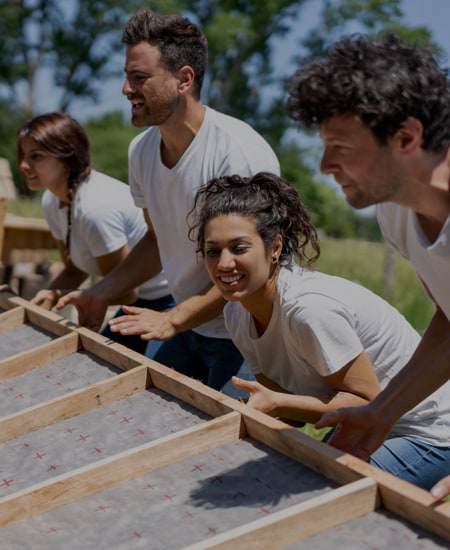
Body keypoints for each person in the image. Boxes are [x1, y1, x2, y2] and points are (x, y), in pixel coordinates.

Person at [56, 9, 280, 395]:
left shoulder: (237, 154)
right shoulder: (141, 151)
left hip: (247, 333)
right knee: (141, 414)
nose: (127, 90)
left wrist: (174, 318)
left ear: (184, 79)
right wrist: (100, 292)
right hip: (187, 323)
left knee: (225, 451)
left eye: (139, 78)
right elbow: (157, 239)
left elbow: (252, 269)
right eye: (127, 77)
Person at [189, 171, 450, 490]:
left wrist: (275, 406)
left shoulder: (308, 310)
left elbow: (364, 403)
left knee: (327, 492)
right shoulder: (237, 313)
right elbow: (290, 411)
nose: (224, 263)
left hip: (428, 431)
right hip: (366, 425)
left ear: (275, 248)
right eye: (213, 251)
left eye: (239, 248)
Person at [285, 32, 450, 497]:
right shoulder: (395, 210)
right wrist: (383, 412)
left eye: (340, 147)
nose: (323, 165)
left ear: (406, 137)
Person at [17, 112, 174, 355]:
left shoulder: (95, 209)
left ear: (66, 157)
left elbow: (125, 290)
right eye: (23, 156)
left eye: (36, 156)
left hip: (167, 301)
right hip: (135, 301)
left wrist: (62, 296)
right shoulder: (52, 200)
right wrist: (41, 300)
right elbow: (73, 270)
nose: (24, 165)